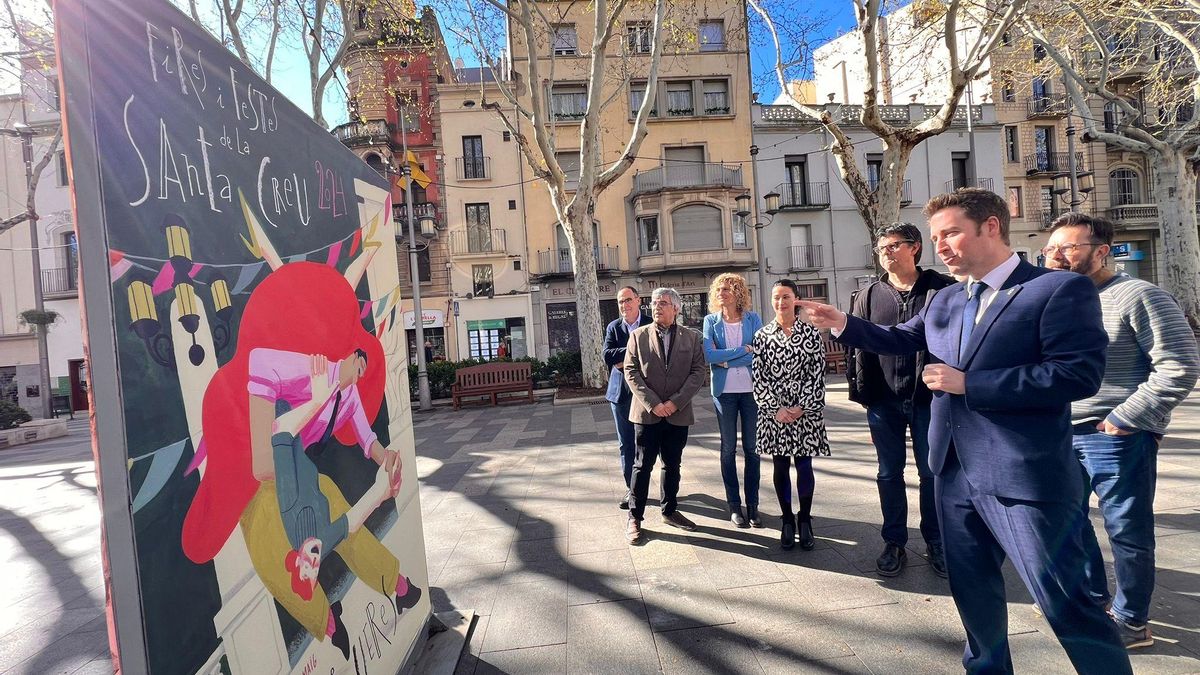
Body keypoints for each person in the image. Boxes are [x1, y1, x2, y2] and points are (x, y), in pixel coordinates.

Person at [798, 189, 1131, 675]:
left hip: (1025, 479)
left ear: (991, 226)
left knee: (1066, 603)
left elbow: (1077, 374)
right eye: (936, 238)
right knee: (974, 598)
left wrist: (971, 384)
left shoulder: (1056, 290)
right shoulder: (948, 298)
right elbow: (903, 338)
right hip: (953, 474)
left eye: (950, 232)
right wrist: (843, 322)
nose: (942, 246)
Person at [1044, 213, 1200, 649]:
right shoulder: (1054, 298)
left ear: (1101, 251)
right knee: (1067, 522)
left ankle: (1132, 620)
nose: (1056, 256)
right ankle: (1093, 600)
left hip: (1115, 436)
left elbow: (1180, 365)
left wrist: (1125, 417)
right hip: (1059, 433)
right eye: (1050, 248)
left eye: (1068, 248)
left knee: (1127, 530)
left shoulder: (1139, 295)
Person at [848, 223, 953, 578]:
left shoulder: (942, 290)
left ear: (916, 248)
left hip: (930, 400)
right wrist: (863, 394)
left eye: (894, 245)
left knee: (931, 472)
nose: (887, 253)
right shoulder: (868, 294)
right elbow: (858, 350)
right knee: (888, 473)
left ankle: (936, 540)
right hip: (884, 402)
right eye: (882, 248)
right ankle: (894, 540)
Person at [623, 287, 707, 545]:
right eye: (654, 303)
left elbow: (698, 372)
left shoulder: (691, 338)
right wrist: (654, 404)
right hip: (647, 415)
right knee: (642, 466)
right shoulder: (638, 336)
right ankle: (635, 517)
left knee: (672, 465)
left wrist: (675, 402)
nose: (657, 307)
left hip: (677, 414)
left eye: (663, 303)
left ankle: (669, 510)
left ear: (677, 308)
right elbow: (631, 371)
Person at [753, 279, 829, 550]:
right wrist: (776, 408)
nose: (781, 302)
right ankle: (787, 520)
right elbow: (759, 378)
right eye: (776, 297)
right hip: (776, 414)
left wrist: (802, 406)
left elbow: (817, 373)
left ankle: (805, 520)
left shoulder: (810, 333)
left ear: (795, 299)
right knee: (780, 464)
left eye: (786, 296)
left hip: (804, 412)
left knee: (804, 464)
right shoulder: (762, 335)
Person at [702, 273, 764, 528]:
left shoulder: (753, 319)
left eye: (726, 289)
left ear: (738, 292)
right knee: (728, 450)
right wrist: (742, 351)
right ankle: (734, 506)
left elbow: (761, 353)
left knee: (752, 450)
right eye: (718, 290)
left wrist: (726, 359)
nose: (721, 293)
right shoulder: (710, 321)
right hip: (724, 394)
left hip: (751, 392)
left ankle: (753, 506)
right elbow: (708, 354)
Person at [604, 286, 650, 509]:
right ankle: (631, 490)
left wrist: (625, 358)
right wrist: (636, 353)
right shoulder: (613, 327)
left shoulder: (651, 323)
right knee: (626, 444)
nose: (625, 305)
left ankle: (645, 485)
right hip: (620, 394)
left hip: (647, 393)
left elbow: (656, 356)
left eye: (628, 300)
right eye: (621, 302)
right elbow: (608, 356)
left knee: (649, 443)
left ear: (638, 300)